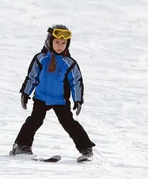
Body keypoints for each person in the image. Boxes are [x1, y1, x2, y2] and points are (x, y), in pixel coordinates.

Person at [11, 24, 95, 159]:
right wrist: (25, 93)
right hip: (41, 98)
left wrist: (78, 99)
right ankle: (21, 145)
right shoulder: (40, 58)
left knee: (69, 123)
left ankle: (86, 148)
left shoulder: (69, 63)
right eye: (57, 42)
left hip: (60, 100)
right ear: (50, 41)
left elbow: (76, 82)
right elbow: (32, 77)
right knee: (34, 121)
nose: (60, 46)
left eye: (63, 43)